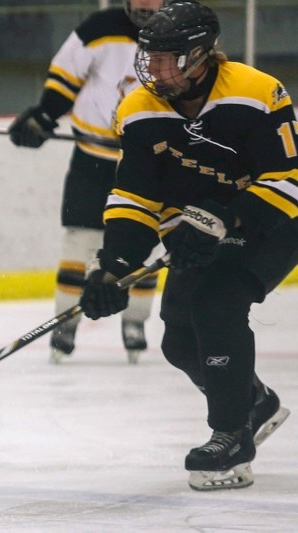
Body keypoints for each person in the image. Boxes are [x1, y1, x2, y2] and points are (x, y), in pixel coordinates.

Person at [79, 1, 293, 490]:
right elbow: (135, 197)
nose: (152, 68)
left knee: (216, 302)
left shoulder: (255, 92)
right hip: (199, 224)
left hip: (273, 219)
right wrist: (111, 267)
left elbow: (288, 178)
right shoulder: (138, 108)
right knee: (178, 338)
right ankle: (254, 402)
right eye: (148, 57)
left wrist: (225, 215)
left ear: (199, 56)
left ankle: (232, 434)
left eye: (165, 58)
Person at [8, 0, 166, 364]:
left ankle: (135, 321)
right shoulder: (100, 27)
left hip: (149, 159)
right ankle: (67, 321)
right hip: (92, 159)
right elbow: (66, 77)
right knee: (81, 238)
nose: (145, 4)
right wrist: (44, 115)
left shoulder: (180, 35)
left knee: (145, 238)